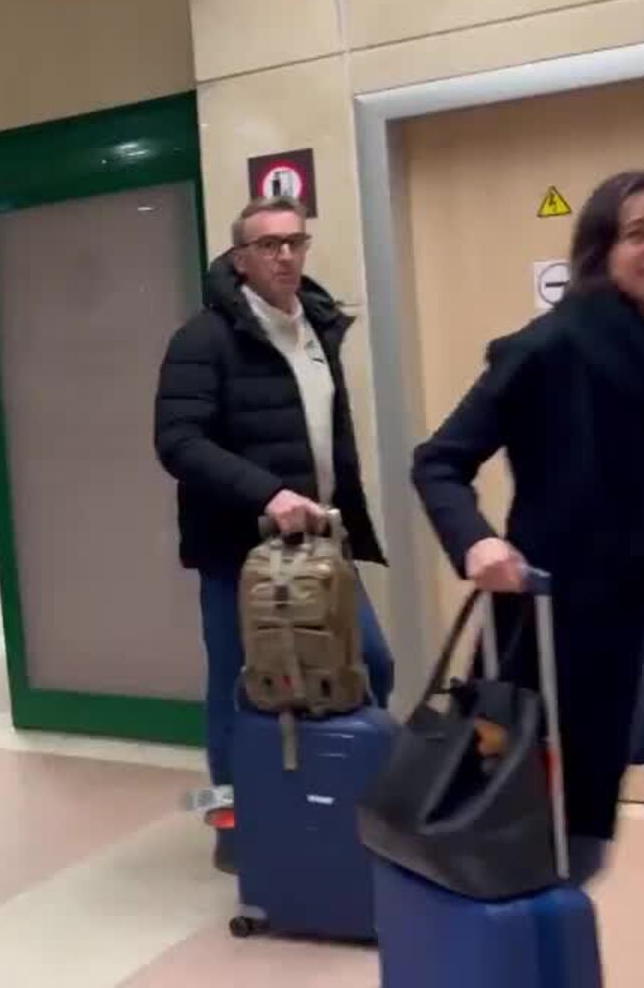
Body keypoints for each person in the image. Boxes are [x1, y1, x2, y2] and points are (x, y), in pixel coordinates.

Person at [411, 169, 644, 979]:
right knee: (554, 860)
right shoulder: (551, 349)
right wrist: (475, 543)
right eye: (638, 231)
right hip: (579, 635)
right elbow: (440, 461)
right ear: (602, 250)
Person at [152, 195, 395, 871]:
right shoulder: (203, 339)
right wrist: (267, 492)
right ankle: (232, 822)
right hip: (238, 553)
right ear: (240, 259)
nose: (285, 256)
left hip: (319, 548)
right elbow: (177, 441)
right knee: (237, 688)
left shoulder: (318, 327)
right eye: (268, 245)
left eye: (295, 242)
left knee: (371, 664)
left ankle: (329, 802)